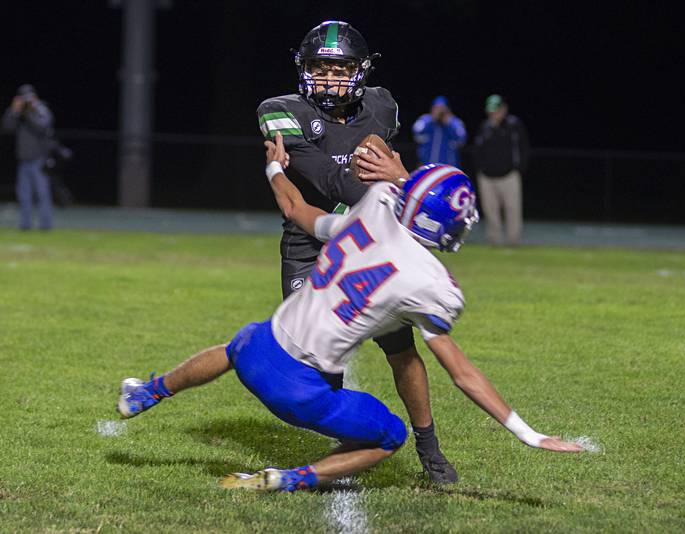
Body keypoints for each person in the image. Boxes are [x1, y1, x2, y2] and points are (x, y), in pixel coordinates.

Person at [116, 134, 584, 493]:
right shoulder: (431, 283)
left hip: (258, 350)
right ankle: (290, 479)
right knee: (389, 435)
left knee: (236, 342)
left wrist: (276, 167)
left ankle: (147, 393)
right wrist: (528, 433)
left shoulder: (375, 206)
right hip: (301, 391)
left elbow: (296, 207)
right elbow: (461, 373)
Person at [255, 20, 459, 483]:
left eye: (339, 68)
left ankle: (430, 449)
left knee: (400, 349)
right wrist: (395, 180)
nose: (328, 79)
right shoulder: (279, 111)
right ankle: (344, 441)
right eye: (318, 69)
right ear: (303, 71)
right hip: (312, 244)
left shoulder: (381, 105)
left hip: (368, 246)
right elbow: (328, 178)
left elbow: (373, 165)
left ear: (360, 70)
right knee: (316, 360)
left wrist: (394, 174)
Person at [474, 95, 531, 246]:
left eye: (496, 110)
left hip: (509, 175)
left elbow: (523, 148)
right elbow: (478, 149)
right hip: (487, 176)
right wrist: (480, 168)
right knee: (491, 211)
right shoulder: (485, 127)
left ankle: (514, 241)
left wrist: (519, 168)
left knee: (513, 209)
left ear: (503, 109)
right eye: (491, 111)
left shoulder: (513, 125)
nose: (493, 114)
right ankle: (495, 241)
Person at [1, 85, 55, 231]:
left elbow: (43, 127)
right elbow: (7, 127)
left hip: (39, 160)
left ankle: (46, 225)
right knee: (24, 196)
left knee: (42, 194)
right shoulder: (17, 113)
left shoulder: (40, 110)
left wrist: (29, 113)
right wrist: (14, 110)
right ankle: (25, 225)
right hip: (23, 161)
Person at [412, 96, 467, 167]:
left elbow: (462, 138)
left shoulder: (454, 122)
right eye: (437, 108)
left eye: (442, 108)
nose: (439, 111)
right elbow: (416, 131)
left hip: (448, 167)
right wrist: (432, 120)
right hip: (427, 165)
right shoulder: (426, 120)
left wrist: (448, 123)